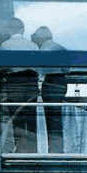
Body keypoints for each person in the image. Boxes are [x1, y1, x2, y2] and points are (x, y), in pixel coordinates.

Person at [0, 16, 39, 155]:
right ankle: (32, 150)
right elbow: (38, 67)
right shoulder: (33, 45)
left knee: (16, 119)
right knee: (31, 119)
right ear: (23, 29)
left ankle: (19, 150)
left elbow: (1, 67)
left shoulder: (5, 45)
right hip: (31, 84)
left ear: (8, 30)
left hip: (14, 84)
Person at [31, 25, 67, 153]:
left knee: (50, 117)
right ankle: (58, 148)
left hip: (49, 83)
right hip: (61, 82)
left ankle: (53, 148)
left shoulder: (43, 50)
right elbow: (68, 69)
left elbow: (39, 71)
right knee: (57, 116)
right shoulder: (61, 48)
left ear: (41, 38)